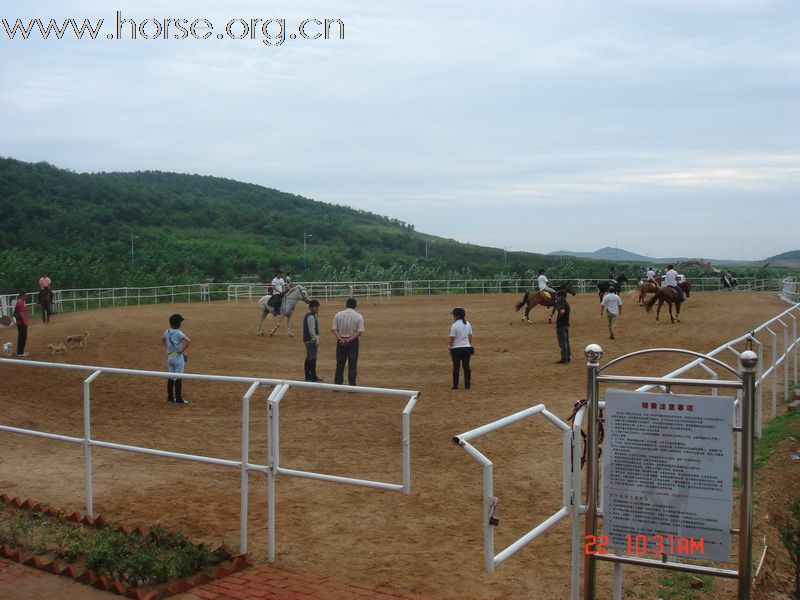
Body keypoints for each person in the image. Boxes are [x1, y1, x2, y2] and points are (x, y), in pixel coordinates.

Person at [331, 297, 365, 386]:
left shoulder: (338, 314)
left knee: (340, 364)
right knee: (352, 364)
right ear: (355, 305)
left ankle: (338, 384)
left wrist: (340, 339)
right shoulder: (358, 316)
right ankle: (352, 384)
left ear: (346, 305)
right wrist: (348, 340)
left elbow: (334, 329)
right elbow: (360, 331)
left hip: (341, 340)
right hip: (352, 342)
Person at [163, 313, 191, 404]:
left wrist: (168, 347)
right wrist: (182, 351)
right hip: (178, 357)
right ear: (179, 323)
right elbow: (188, 341)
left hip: (170, 356)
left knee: (171, 377)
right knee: (179, 377)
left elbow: (163, 340)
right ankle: (179, 399)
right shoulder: (178, 332)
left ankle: (170, 398)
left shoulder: (167, 331)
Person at [448, 307, 474, 390]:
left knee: (456, 367)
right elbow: (470, 336)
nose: (453, 316)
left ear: (457, 316)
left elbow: (452, 338)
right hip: (466, 348)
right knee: (466, 366)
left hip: (457, 349)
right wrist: (469, 345)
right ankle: (467, 385)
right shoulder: (468, 324)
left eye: (454, 315)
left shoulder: (454, 325)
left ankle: (455, 385)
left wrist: (450, 347)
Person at [303, 299, 323, 382]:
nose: (317, 308)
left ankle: (308, 376)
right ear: (311, 307)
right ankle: (313, 376)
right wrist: (315, 340)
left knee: (308, 357)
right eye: (316, 307)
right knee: (313, 358)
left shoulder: (308, 315)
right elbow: (312, 330)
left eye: (317, 307)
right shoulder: (311, 316)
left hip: (307, 340)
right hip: (311, 340)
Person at [554, 290, 571, 364]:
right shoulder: (564, 303)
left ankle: (564, 358)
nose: (556, 298)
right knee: (566, 342)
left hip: (561, 325)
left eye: (558, 296)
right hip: (565, 325)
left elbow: (562, 311)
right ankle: (568, 357)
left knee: (562, 343)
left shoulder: (563, 304)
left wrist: (560, 317)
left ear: (562, 297)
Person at [13, 292, 29, 357]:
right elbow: (21, 313)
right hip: (21, 323)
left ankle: (20, 351)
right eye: (25, 296)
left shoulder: (20, 302)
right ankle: (20, 352)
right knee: (22, 337)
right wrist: (25, 322)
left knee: (22, 337)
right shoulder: (20, 303)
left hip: (20, 323)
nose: (25, 297)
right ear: (21, 296)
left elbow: (22, 312)